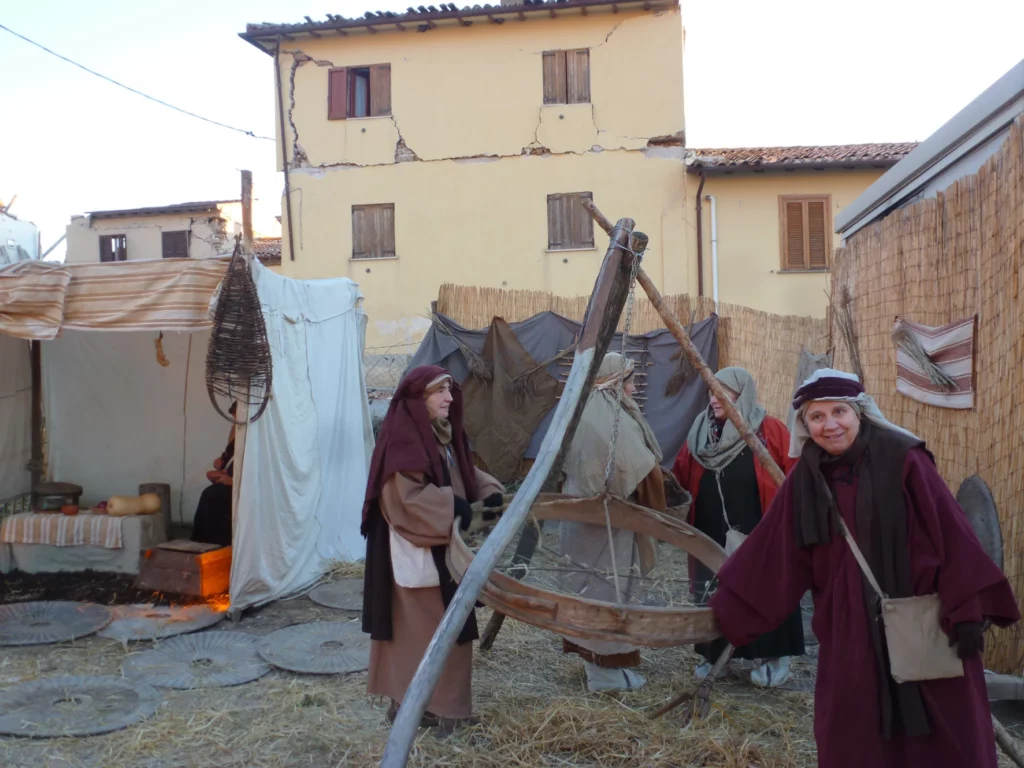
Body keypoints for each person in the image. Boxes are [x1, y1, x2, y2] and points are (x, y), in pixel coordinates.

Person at [708, 368, 1020, 767]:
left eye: (839, 412)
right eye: (816, 417)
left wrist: (967, 612)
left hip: (924, 624)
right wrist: (730, 608)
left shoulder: (905, 460)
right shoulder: (807, 477)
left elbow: (952, 534)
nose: (829, 425)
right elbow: (774, 551)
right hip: (850, 632)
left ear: (860, 412)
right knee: (855, 737)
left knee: (946, 738)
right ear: (804, 423)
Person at [361, 365, 504, 732]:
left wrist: (489, 492)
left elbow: (462, 472)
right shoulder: (403, 441)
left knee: (432, 633)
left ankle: (417, 708)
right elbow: (406, 499)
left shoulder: (439, 434)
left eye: (449, 391)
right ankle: (443, 714)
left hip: (438, 547)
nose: (449, 398)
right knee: (441, 633)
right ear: (418, 399)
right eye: (440, 392)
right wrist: (454, 507)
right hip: (417, 550)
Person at [672, 367, 803, 687]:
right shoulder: (700, 431)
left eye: (723, 392)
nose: (714, 399)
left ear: (742, 394)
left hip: (759, 524)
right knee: (712, 587)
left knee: (766, 585)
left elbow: (794, 473)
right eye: (711, 391)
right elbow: (680, 471)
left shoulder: (768, 429)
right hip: (710, 526)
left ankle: (774, 656)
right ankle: (714, 654)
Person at [559, 352, 667, 693]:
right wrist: (658, 503)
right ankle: (604, 674)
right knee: (604, 591)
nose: (634, 389)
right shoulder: (600, 418)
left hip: (597, 518)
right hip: (599, 521)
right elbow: (635, 468)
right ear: (613, 383)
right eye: (629, 381)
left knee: (600, 588)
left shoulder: (594, 410)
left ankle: (606, 668)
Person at [191, 402, 237, 547]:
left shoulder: (256, 438)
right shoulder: (235, 435)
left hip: (242, 486)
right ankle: (201, 541)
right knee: (211, 493)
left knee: (212, 496)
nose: (235, 422)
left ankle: (217, 542)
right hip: (229, 480)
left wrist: (232, 480)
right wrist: (220, 464)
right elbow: (226, 459)